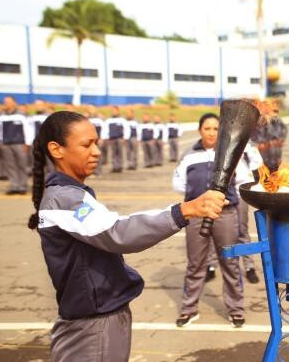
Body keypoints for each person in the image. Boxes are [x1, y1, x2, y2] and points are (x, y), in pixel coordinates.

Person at [28, 110, 227, 361]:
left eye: (97, 143)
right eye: (86, 144)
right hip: (92, 326)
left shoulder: (71, 193)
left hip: (100, 316)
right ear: (57, 150)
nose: (97, 151)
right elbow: (117, 232)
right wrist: (183, 211)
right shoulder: (65, 198)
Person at [172, 113, 246, 327]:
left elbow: (243, 182)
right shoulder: (189, 155)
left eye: (216, 129)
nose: (212, 133)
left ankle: (236, 309)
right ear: (200, 131)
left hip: (225, 215)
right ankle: (189, 309)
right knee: (196, 264)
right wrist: (197, 201)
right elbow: (178, 184)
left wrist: (227, 203)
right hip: (196, 215)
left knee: (230, 262)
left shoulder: (232, 153)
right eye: (207, 128)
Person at [206, 141, 263, 284]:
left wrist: (247, 149)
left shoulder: (246, 143)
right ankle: (211, 265)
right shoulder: (216, 144)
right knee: (214, 229)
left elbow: (257, 163)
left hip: (239, 192)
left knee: (242, 231)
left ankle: (249, 267)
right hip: (221, 192)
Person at [1, 96, 32, 194]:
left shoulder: (21, 115)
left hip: (20, 144)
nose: (7, 104)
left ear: (14, 103)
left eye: (9, 102)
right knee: (11, 166)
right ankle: (14, 185)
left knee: (22, 165)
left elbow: (28, 129)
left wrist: (27, 143)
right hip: (6, 144)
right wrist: (2, 141)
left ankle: (22, 186)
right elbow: (0, 130)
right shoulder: (2, 115)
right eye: (5, 102)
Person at [103, 106, 129, 173]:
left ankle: (120, 166)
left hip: (120, 139)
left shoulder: (122, 120)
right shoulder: (108, 120)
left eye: (115, 111)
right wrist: (105, 138)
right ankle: (114, 166)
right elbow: (105, 130)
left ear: (118, 111)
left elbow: (127, 129)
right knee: (113, 153)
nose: (114, 112)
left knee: (120, 153)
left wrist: (125, 138)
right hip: (112, 139)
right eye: (113, 111)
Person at [87, 106, 105, 176]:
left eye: (92, 109)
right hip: (89, 141)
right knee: (89, 157)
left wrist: (102, 138)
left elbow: (104, 129)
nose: (90, 110)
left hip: (98, 140)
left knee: (98, 156)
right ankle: (91, 172)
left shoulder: (100, 119)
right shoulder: (86, 119)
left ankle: (97, 171)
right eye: (89, 109)